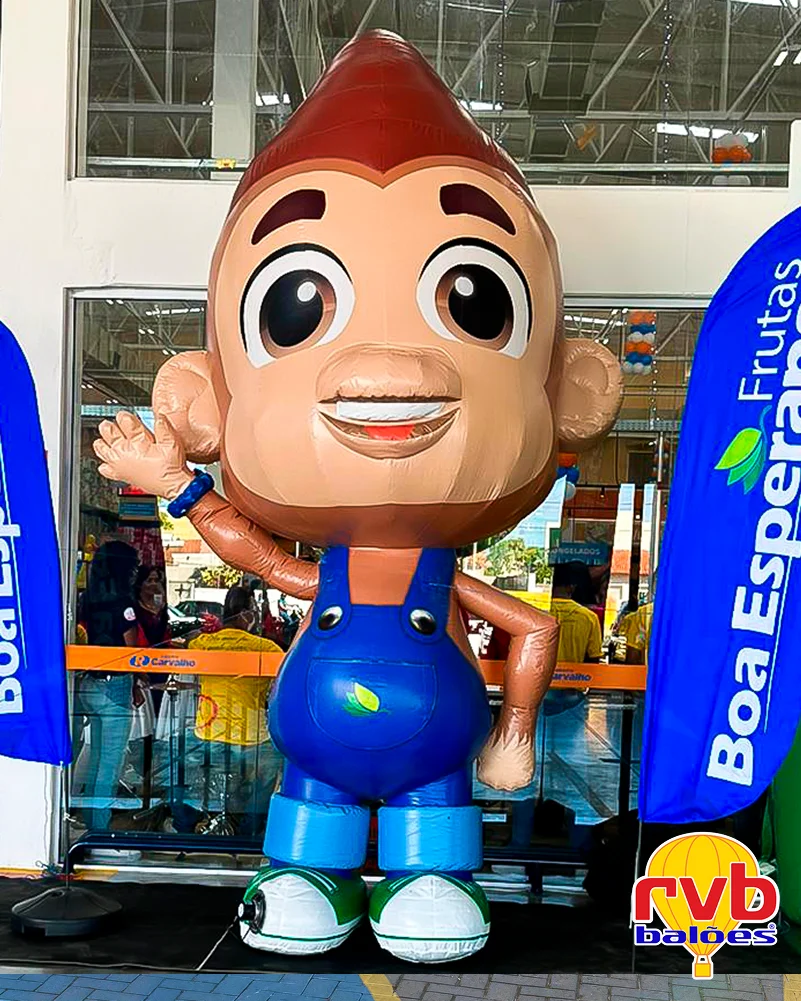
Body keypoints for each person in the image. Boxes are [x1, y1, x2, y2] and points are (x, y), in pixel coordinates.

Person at [187, 585, 284, 837]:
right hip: (251, 736)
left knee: (205, 778)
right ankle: (248, 833)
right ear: (245, 614)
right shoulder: (267, 649)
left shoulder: (202, 644)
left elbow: (187, 648)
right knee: (269, 773)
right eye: (254, 610)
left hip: (210, 731)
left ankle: (205, 825)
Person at [72, 540, 139, 830]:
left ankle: (90, 822)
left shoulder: (87, 599)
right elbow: (132, 653)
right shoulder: (124, 604)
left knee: (96, 757)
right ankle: (99, 830)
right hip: (115, 685)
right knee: (109, 764)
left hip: (89, 682)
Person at [549, 562, 603, 664]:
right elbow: (594, 658)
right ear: (572, 587)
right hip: (576, 673)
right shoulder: (589, 617)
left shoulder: (537, 613)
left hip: (542, 673)